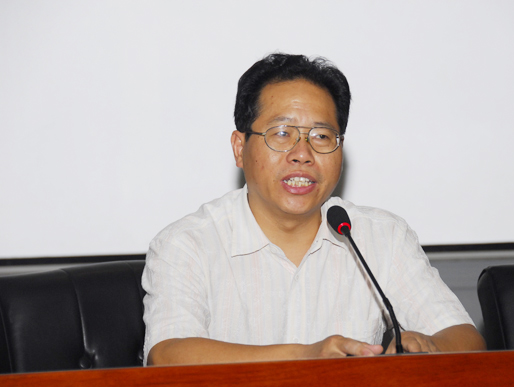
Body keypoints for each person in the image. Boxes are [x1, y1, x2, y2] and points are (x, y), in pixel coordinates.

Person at [142, 53, 485, 366]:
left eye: (321, 136)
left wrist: (426, 347)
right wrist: (305, 357)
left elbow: (466, 339)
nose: (302, 154)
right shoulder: (187, 243)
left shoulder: (382, 237)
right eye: (282, 133)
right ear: (240, 148)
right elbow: (168, 355)